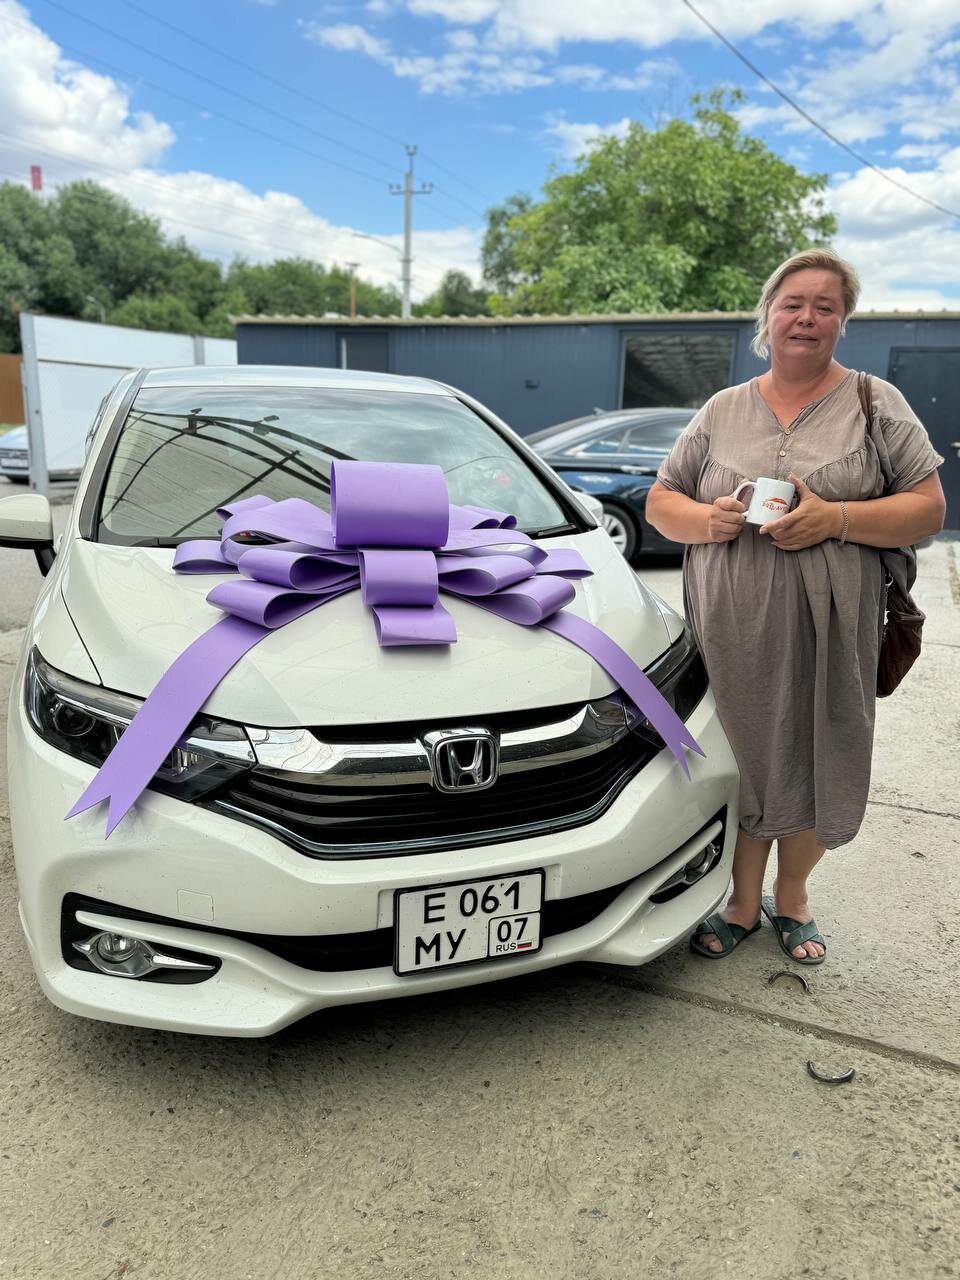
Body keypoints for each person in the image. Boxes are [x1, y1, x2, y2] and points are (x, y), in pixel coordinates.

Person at [645, 248, 946, 965]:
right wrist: (708, 518)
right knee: (741, 757)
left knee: (819, 751)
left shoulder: (875, 402)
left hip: (832, 628)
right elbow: (661, 501)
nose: (807, 317)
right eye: (793, 303)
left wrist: (834, 519)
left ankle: (794, 897)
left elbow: (929, 508)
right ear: (768, 317)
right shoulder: (722, 409)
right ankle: (742, 903)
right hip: (732, 632)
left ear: (842, 322)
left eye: (824, 306)